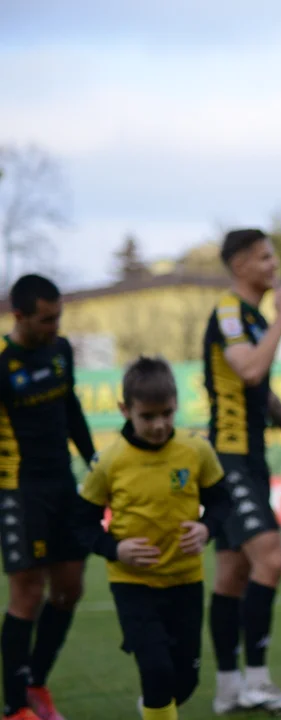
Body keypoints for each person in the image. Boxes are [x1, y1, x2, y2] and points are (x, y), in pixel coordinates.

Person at [203, 228, 281, 714]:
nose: (274, 264)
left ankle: (229, 689)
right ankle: (257, 682)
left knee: (232, 574)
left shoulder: (252, 316)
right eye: (264, 257)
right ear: (239, 266)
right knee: (271, 561)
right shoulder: (232, 310)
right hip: (228, 456)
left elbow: (263, 394)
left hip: (248, 458)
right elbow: (251, 370)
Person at [72, 357, 232, 720]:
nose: (159, 425)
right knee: (157, 672)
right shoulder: (109, 461)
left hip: (185, 581)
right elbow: (80, 523)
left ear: (176, 405)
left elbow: (222, 501)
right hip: (133, 585)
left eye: (167, 413)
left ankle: (153, 708)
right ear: (125, 410)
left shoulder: (197, 450)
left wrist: (207, 528)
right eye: (148, 416)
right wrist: (115, 548)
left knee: (184, 683)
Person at [0, 274, 95, 720]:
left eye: (59, 316)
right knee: (27, 595)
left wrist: (95, 462)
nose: (55, 326)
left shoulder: (61, 351)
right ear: (18, 316)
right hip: (20, 492)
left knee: (70, 589)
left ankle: (37, 683)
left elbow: (71, 409)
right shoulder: (2, 362)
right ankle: (16, 706)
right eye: (46, 319)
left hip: (64, 486)